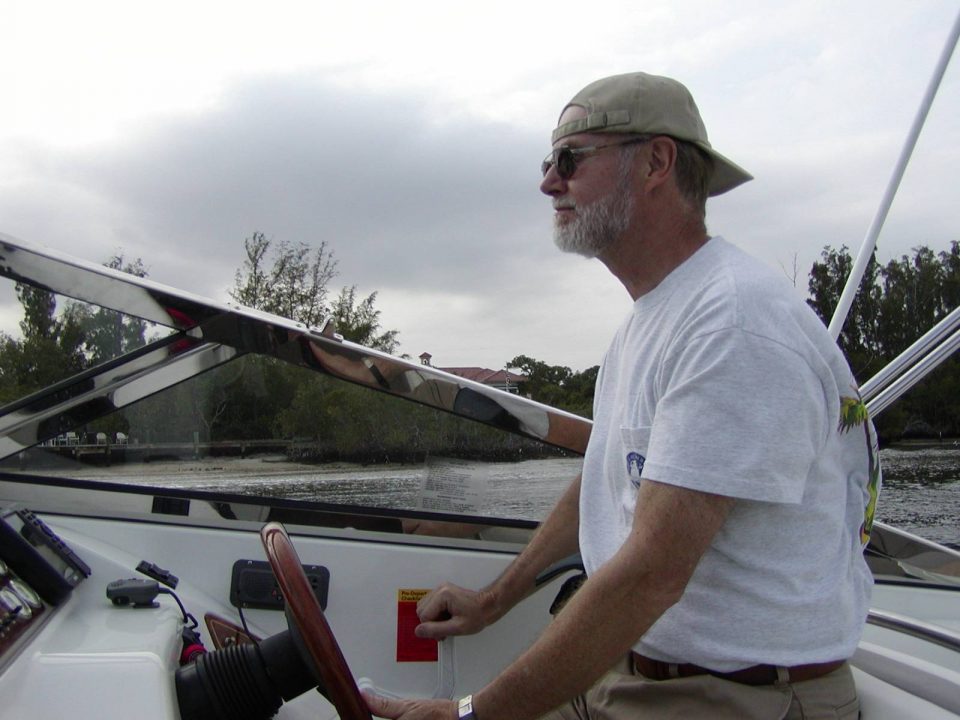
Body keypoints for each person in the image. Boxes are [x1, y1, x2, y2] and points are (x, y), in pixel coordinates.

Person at [365, 71, 880, 720]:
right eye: (549, 162)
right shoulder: (649, 321)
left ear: (657, 162)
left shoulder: (732, 323)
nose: (549, 182)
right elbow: (604, 478)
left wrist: (469, 716)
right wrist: (494, 601)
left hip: (730, 698)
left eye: (570, 159)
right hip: (630, 671)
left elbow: (653, 574)